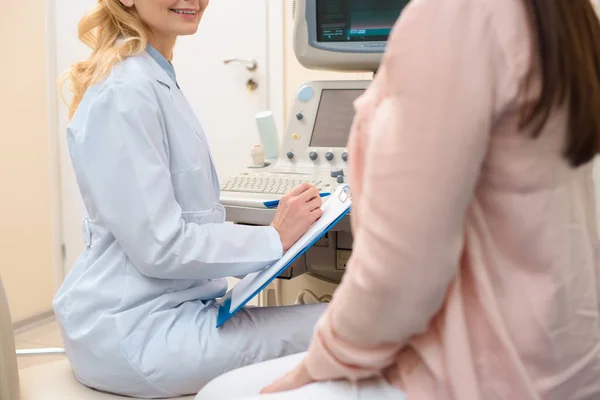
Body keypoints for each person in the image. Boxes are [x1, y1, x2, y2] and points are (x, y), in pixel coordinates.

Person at [195, 0, 600, 399]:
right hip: (563, 353)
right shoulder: (559, 16)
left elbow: (403, 268)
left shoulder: (451, 18)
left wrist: (320, 361)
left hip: (491, 369)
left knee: (223, 393)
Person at [52, 0, 328, 398]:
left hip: (160, 312)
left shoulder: (151, 75)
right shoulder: (125, 90)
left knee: (334, 320)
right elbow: (161, 245)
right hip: (139, 334)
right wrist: (276, 238)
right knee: (341, 323)